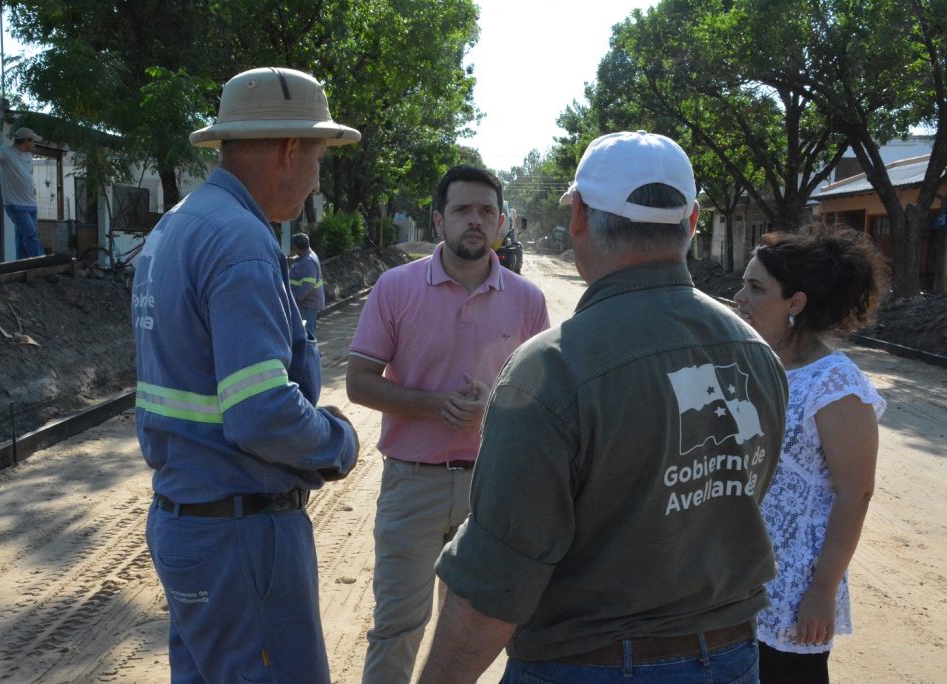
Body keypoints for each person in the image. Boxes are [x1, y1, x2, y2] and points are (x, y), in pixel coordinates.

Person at [418, 131, 789, 684]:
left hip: (587, 666)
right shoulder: (757, 355)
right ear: (691, 223)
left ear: (579, 217)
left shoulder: (550, 371)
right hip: (732, 661)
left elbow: (493, 587)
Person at [130, 67, 361, 684]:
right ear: (289, 150)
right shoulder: (241, 242)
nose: (315, 180)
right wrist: (339, 443)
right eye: (317, 157)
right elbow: (260, 411)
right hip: (242, 537)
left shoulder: (174, 229)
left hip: (189, 526)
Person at [346, 164, 550, 684]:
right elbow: (359, 383)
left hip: (492, 488)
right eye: (462, 210)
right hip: (411, 483)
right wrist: (436, 406)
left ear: (501, 223)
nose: (474, 221)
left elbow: (543, 399)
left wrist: (495, 407)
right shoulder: (395, 288)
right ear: (439, 220)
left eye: (486, 211)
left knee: (472, 633)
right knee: (397, 626)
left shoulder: (529, 301)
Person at [732, 229, 887, 683]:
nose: (739, 297)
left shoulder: (835, 384)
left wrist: (822, 590)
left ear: (795, 303)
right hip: (738, 576)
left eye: (756, 288)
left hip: (793, 585)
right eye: (744, 283)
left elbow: (854, 494)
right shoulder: (758, 361)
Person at [0, 127, 47, 258]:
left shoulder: (28, 156)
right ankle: (42, 265)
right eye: (33, 141)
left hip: (31, 204)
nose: (34, 144)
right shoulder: (5, 152)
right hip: (16, 205)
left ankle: (24, 268)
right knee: (31, 236)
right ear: (26, 140)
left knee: (22, 238)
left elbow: (28, 175)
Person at [289, 232, 325, 336]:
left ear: (297, 247)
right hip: (307, 304)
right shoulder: (307, 255)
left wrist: (294, 299)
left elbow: (308, 285)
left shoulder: (307, 262)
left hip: (307, 305)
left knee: (307, 336)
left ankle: (310, 353)